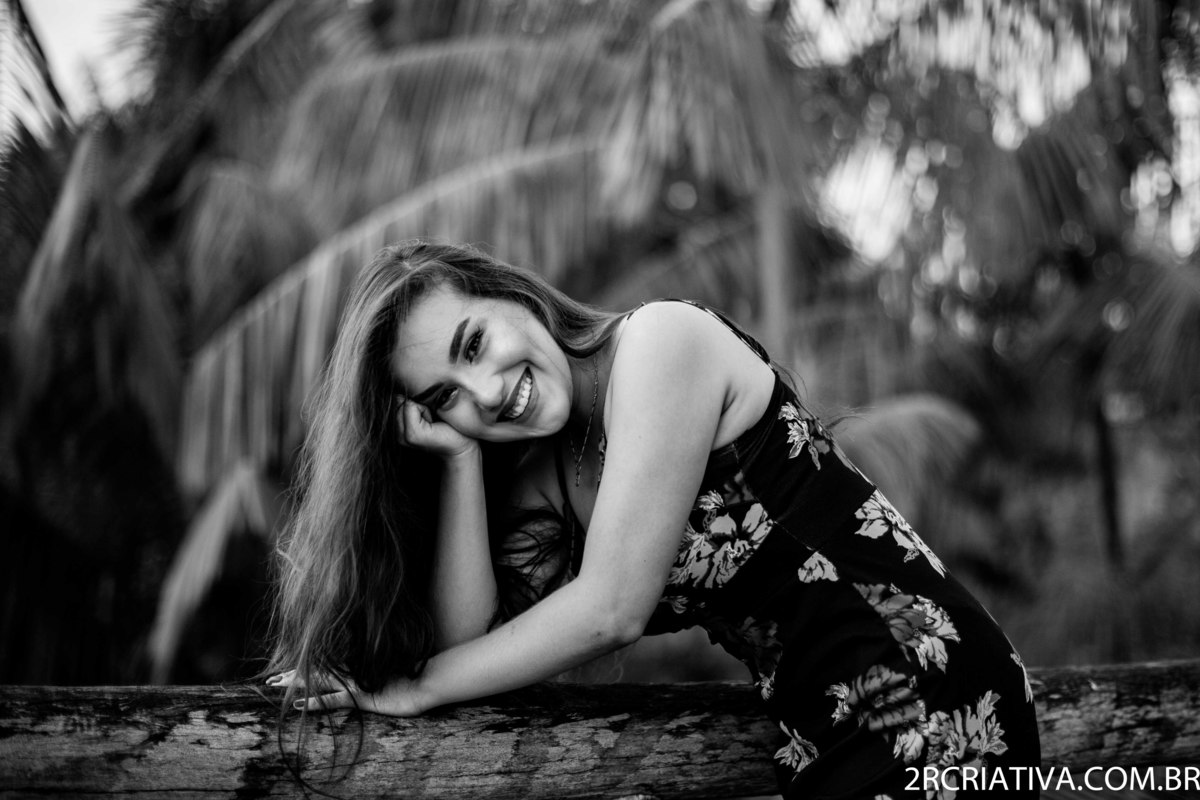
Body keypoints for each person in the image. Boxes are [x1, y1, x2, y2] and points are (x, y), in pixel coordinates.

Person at [265, 240, 1040, 798]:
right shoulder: (544, 475)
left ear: (511, 295)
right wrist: (461, 458)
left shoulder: (663, 342)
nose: (487, 393)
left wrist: (415, 690)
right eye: (446, 397)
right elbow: (473, 641)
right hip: (816, 726)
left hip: (929, 692)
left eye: (474, 345)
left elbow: (612, 609)